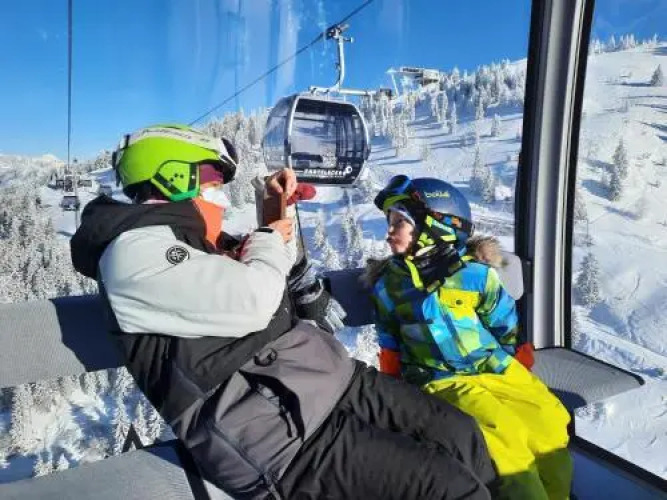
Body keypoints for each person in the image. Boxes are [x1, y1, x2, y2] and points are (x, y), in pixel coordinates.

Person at [70, 125, 498, 500]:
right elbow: (255, 298)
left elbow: (275, 271)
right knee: (450, 489)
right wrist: (268, 236)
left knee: (460, 434)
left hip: (325, 381)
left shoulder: (190, 241)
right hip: (279, 434)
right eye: (214, 180)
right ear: (175, 176)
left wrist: (275, 212)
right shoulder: (135, 254)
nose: (221, 195)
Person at [365, 174, 573, 500]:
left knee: (548, 421)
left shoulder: (474, 274)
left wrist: (516, 362)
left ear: (436, 225)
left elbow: (503, 322)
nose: (389, 232)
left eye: (399, 222)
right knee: (503, 438)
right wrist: (391, 387)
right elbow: (389, 338)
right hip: (441, 379)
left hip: (495, 368)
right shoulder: (390, 285)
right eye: (390, 222)